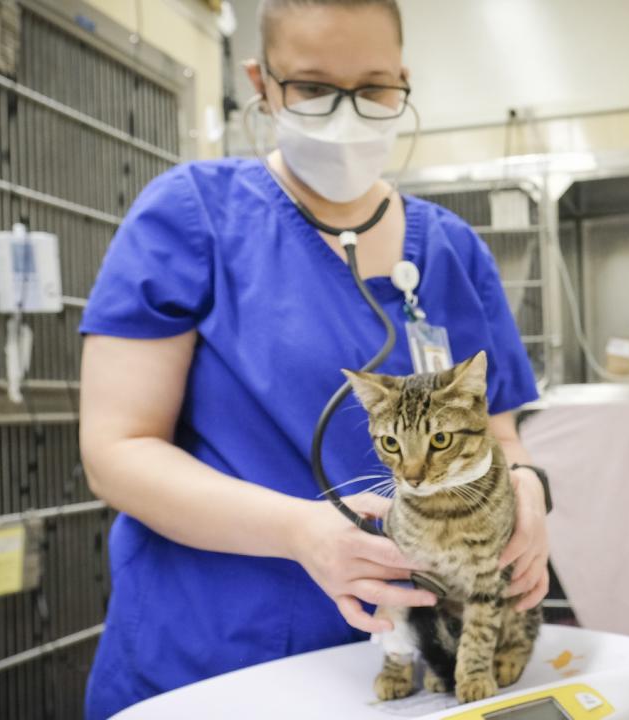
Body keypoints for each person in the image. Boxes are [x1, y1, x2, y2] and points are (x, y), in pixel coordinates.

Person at [77, 0, 550, 716]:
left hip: (423, 666)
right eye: (312, 88)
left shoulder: (453, 250)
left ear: (403, 82)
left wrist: (529, 488)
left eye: (373, 88)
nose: (347, 115)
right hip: (215, 657)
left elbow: (503, 434)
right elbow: (116, 450)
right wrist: (299, 532)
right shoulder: (192, 216)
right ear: (260, 83)